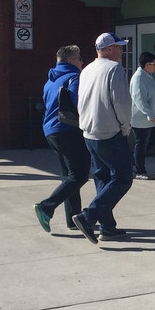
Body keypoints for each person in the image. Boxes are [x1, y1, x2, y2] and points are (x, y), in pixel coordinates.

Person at [72, 32, 135, 244]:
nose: (121, 50)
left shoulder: (87, 69)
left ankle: (107, 227)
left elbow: (81, 99)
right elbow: (122, 104)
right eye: (118, 47)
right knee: (123, 177)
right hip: (110, 132)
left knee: (103, 178)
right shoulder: (114, 69)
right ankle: (88, 217)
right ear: (108, 49)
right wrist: (125, 129)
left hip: (89, 131)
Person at [34, 45, 91, 233]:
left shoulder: (50, 81)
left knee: (68, 176)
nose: (82, 61)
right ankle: (46, 206)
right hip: (68, 131)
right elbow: (79, 104)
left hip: (51, 132)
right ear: (70, 61)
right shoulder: (74, 77)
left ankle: (73, 219)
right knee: (79, 175)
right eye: (79, 58)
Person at [130, 51, 155, 180]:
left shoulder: (148, 76)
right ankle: (140, 171)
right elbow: (139, 99)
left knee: (153, 139)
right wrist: (149, 114)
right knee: (141, 143)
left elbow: (154, 97)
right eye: (154, 64)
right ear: (147, 65)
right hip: (140, 118)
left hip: (151, 118)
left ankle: (133, 162)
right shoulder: (139, 77)